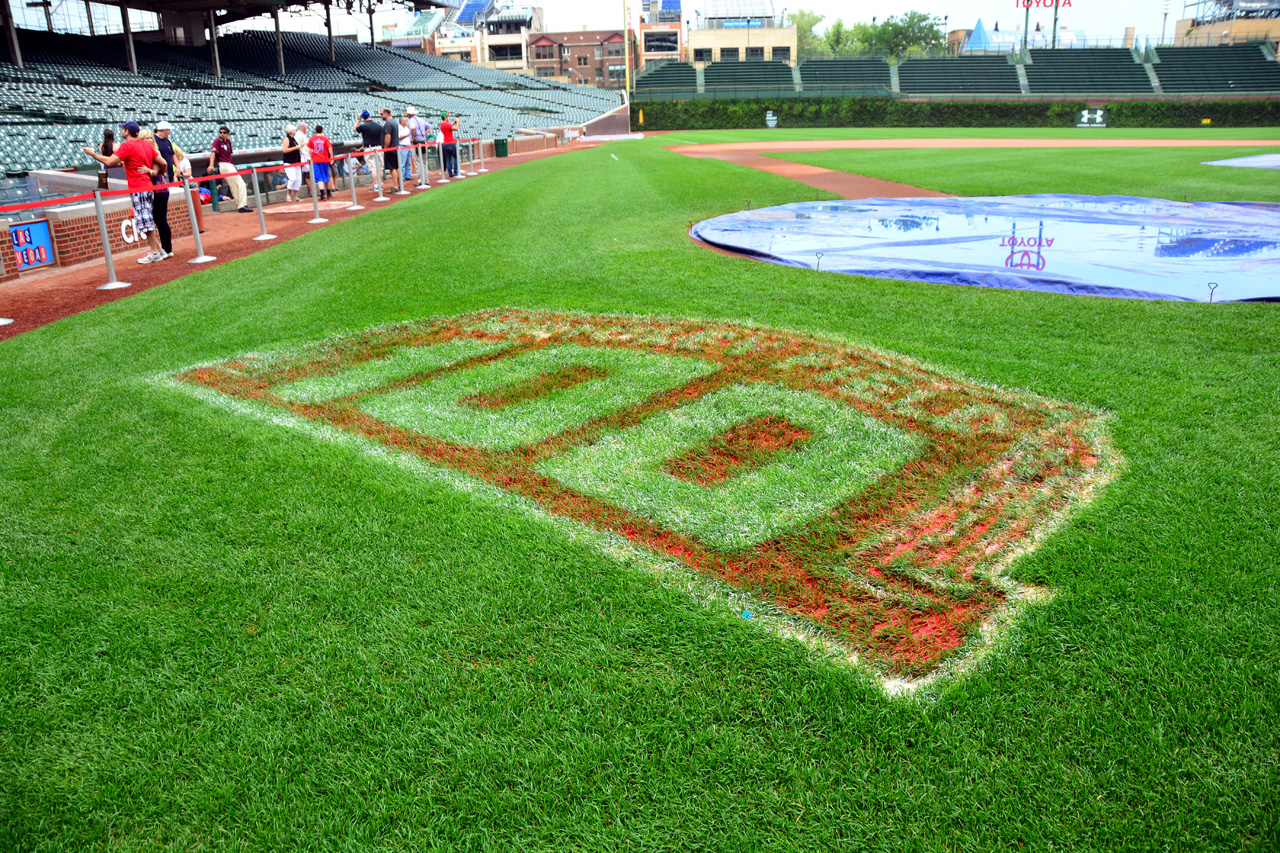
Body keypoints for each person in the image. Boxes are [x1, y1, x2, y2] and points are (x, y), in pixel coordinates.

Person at [81, 120, 166, 263]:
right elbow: (162, 162)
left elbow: (108, 162)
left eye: (122, 129)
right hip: (147, 186)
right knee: (146, 219)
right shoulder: (145, 145)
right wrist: (158, 173)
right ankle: (159, 249)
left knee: (145, 221)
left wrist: (92, 154)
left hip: (138, 187)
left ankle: (155, 251)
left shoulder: (127, 145)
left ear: (127, 131)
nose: (121, 131)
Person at [148, 122, 184, 258]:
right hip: (157, 181)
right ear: (163, 129)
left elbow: (172, 154)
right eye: (168, 130)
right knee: (158, 217)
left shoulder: (167, 141)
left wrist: (177, 168)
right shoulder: (155, 142)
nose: (169, 132)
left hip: (162, 181)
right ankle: (163, 249)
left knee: (160, 217)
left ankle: (165, 249)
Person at [208, 125, 250, 213]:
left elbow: (229, 154)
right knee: (241, 184)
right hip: (223, 165)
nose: (222, 134)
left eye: (224, 132)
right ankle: (242, 205)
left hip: (229, 165)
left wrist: (231, 163)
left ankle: (240, 206)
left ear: (228, 134)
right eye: (220, 132)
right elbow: (213, 153)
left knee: (235, 186)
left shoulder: (228, 142)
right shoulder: (217, 141)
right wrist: (211, 165)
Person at [354, 110, 383, 188]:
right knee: (380, 167)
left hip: (369, 148)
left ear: (363, 118)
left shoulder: (364, 126)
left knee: (372, 168)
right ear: (370, 116)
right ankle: (381, 184)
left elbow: (355, 129)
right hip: (379, 147)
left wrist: (358, 119)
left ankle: (376, 185)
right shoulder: (378, 125)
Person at [405, 106, 431, 187]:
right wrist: (424, 134)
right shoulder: (421, 119)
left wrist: (413, 137)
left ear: (409, 114)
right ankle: (426, 180)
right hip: (423, 141)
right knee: (424, 162)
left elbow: (412, 128)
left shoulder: (411, 120)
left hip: (416, 142)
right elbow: (429, 127)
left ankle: (420, 180)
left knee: (417, 162)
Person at [308, 124, 333, 200]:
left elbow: (309, 149)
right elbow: (330, 148)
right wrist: (331, 157)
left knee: (319, 178)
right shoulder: (325, 139)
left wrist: (311, 157)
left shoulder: (312, 139)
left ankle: (322, 195)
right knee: (326, 176)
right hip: (324, 159)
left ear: (315, 131)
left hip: (315, 160)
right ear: (322, 131)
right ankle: (328, 193)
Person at [380, 107, 400, 191]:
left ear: (386, 113)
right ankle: (399, 185)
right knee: (397, 167)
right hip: (395, 147)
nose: (380, 116)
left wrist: (385, 148)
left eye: (381, 114)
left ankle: (395, 186)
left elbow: (388, 136)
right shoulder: (394, 121)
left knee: (393, 168)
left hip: (390, 149)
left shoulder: (388, 123)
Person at [282, 123, 303, 203]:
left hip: (296, 162)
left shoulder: (294, 139)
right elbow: (285, 150)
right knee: (292, 178)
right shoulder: (286, 139)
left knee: (298, 179)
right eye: (294, 130)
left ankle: (296, 196)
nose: (295, 131)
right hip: (289, 162)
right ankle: (288, 195)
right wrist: (295, 147)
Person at [439, 111, 458, 178]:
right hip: (450, 142)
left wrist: (453, 123)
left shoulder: (442, 125)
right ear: (445, 117)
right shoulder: (446, 124)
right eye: (447, 116)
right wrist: (457, 122)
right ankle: (456, 172)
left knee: (448, 158)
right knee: (456, 157)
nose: (448, 117)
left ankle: (450, 173)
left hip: (445, 143)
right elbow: (456, 128)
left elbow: (449, 128)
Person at [295, 121, 312, 196]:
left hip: (306, 157)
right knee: (307, 175)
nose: (307, 129)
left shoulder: (302, 134)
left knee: (309, 174)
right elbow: (298, 147)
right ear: (304, 128)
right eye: (306, 128)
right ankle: (312, 191)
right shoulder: (299, 135)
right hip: (304, 158)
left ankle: (313, 191)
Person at [398, 115, 414, 181]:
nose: (406, 122)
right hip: (402, 145)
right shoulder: (399, 128)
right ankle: (402, 177)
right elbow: (399, 137)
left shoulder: (407, 128)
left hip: (408, 145)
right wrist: (406, 135)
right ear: (402, 121)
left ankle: (407, 175)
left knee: (408, 162)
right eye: (405, 121)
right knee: (402, 163)